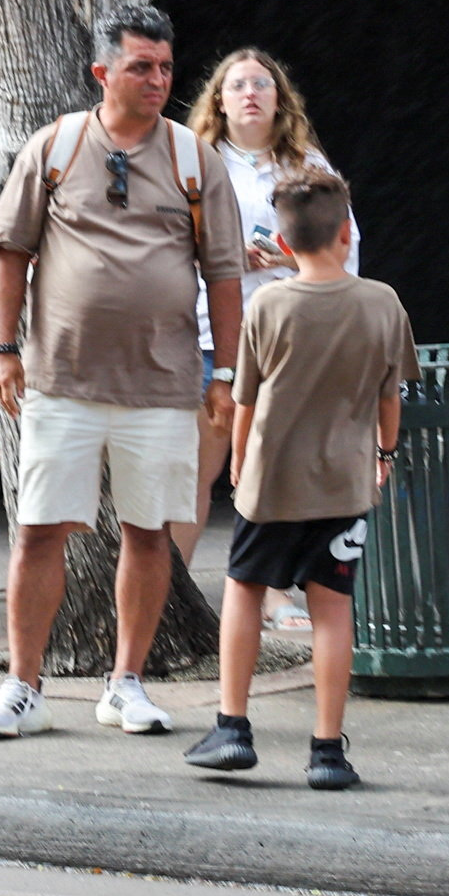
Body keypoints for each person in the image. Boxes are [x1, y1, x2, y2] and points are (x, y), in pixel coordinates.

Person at [0, 3, 248, 741]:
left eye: (165, 66)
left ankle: (126, 682)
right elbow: (9, 256)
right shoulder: (56, 145)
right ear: (102, 73)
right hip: (61, 379)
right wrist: (0, 351)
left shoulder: (195, 159)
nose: (158, 79)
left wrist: (227, 375)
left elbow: (224, 275)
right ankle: (23, 686)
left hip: (162, 384)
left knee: (150, 532)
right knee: (37, 531)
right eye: (140, 66)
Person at [185, 166, 413, 791]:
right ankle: (327, 750)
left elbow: (247, 401)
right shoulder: (382, 302)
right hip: (343, 484)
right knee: (333, 610)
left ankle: (232, 725)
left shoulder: (268, 305)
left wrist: (237, 462)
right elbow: (389, 397)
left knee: (244, 589)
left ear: (282, 245)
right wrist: (384, 452)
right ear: (347, 233)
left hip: (272, 479)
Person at [186, 47, 360, 617]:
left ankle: (276, 590)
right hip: (212, 335)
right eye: (238, 85)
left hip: (288, 337)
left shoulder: (307, 163)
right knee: (200, 465)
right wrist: (231, 259)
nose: (251, 94)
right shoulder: (195, 160)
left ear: (280, 99)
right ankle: (167, 591)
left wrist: (287, 258)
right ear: (220, 100)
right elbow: (164, 245)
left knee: (272, 467)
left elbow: (344, 245)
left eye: (263, 84)